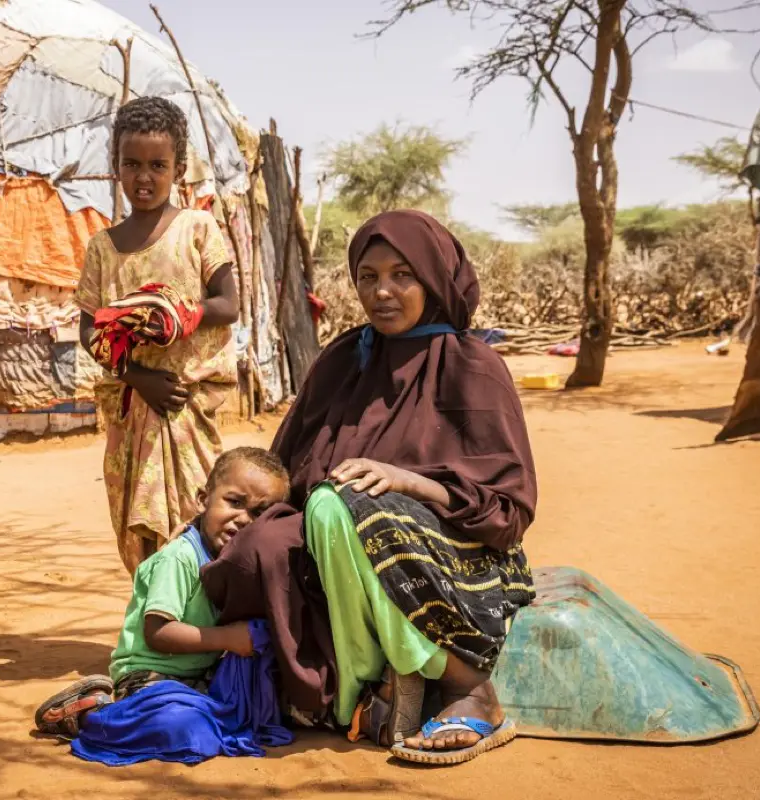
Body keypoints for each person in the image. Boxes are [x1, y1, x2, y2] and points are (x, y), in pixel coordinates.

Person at [201, 210, 539, 766]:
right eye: (367, 276)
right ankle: (352, 690)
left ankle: (465, 685)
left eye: (402, 274)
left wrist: (411, 483)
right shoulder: (343, 358)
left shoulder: (472, 365)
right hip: (331, 530)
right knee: (258, 548)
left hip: (451, 551)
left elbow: (509, 508)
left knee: (345, 508)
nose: (382, 292)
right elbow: (286, 468)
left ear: (433, 277)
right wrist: (220, 523)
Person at [74, 96, 241, 574]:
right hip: (132, 407)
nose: (143, 177)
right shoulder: (103, 248)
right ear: (116, 167)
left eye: (157, 165)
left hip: (187, 404)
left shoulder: (197, 228)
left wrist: (182, 314)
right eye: (131, 164)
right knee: (134, 522)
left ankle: (196, 627)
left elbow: (228, 305)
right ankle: (155, 623)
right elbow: (90, 328)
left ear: (179, 169)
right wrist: (136, 376)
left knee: (198, 515)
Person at [35, 447, 290, 737]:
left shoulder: (235, 564)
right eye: (234, 502)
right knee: (181, 728)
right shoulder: (180, 557)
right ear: (202, 500)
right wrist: (229, 638)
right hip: (149, 677)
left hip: (198, 677)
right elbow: (158, 633)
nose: (244, 519)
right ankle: (90, 713)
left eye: (259, 513)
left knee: (258, 708)